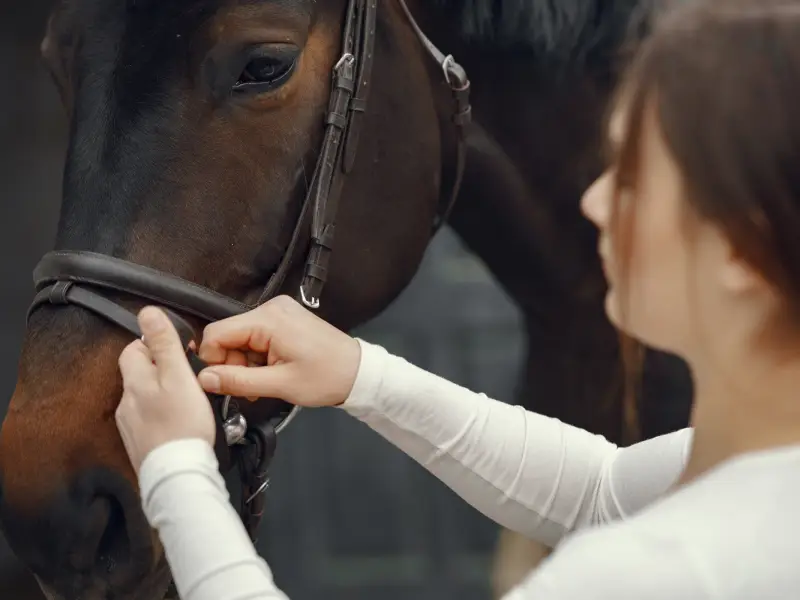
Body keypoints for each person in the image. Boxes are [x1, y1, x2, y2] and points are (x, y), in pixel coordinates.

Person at [115, 0, 800, 598]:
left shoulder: (648, 574)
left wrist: (176, 474)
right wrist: (362, 376)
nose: (593, 201)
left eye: (632, 177)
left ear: (741, 249)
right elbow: (602, 489)